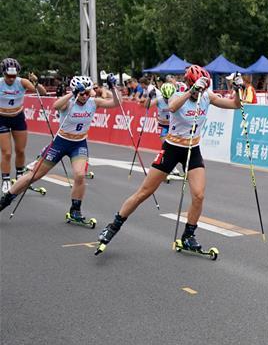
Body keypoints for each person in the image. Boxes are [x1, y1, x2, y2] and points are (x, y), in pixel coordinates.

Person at [94, 65, 242, 254]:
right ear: (189, 83)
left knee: (199, 195)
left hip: (192, 149)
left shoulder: (207, 96)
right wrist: (191, 91)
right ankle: (113, 226)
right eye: (199, 87)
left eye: (203, 88)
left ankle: (188, 236)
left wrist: (237, 89)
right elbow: (172, 107)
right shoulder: (178, 93)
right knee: (144, 192)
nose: (201, 92)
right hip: (172, 149)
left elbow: (236, 105)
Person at [0, 76, 121, 224]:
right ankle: (5, 200)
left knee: (80, 175)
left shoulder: (93, 102)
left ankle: (75, 211)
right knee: (34, 175)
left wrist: (113, 88)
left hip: (79, 144)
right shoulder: (69, 103)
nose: (84, 96)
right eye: (82, 93)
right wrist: (72, 93)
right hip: (60, 143)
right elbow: (55, 106)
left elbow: (116, 103)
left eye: (87, 93)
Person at [1, 58, 47, 194]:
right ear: (3, 73)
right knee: (7, 153)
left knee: (20, 150)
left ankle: (20, 176)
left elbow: (42, 93)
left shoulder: (22, 82)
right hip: (1, 118)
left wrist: (35, 81)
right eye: (8, 76)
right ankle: (5, 180)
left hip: (18, 118)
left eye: (13, 76)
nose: (11, 79)